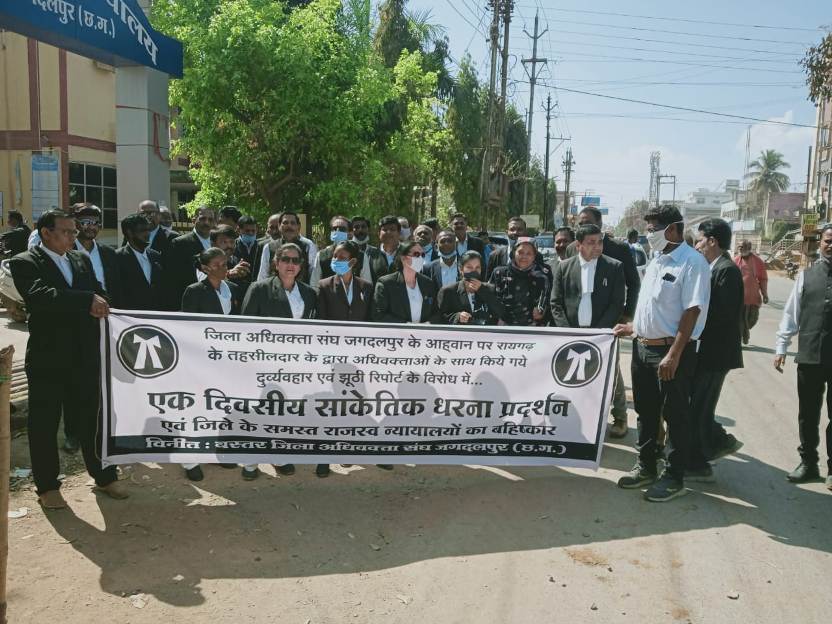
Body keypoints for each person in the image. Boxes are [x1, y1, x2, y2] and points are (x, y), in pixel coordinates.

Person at [9, 209, 128, 509]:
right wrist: (86, 300)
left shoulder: (80, 259)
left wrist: (101, 301)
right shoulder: (25, 262)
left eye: (74, 231)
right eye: (66, 231)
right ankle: (48, 486)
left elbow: (100, 292)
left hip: (85, 354)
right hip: (48, 357)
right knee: (45, 423)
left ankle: (104, 476)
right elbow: (41, 297)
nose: (73, 237)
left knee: (92, 419)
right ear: (46, 233)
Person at [613, 205, 710, 502]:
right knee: (646, 412)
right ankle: (646, 465)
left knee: (675, 415)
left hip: (671, 351)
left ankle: (674, 476)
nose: (649, 233)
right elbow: (654, 307)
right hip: (643, 348)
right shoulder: (656, 260)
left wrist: (674, 355)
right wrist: (633, 328)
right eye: (648, 228)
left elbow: (692, 311)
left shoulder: (692, 262)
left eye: (653, 228)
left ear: (673, 229)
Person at [180, 247, 258, 482]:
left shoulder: (232, 288)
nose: (224, 268)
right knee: (197, 408)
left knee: (222, 407)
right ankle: (190, 459)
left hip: (227, 360)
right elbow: (187, 327)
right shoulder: (194, 291)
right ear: (205, 268)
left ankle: (218, 450)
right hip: (201, 360)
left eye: (225, 263)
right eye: (218, 265)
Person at [242, 242, 317, 477]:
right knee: (258, 410)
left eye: (296, 260)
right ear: (276, 263)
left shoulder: (309, 293)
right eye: (286, 259)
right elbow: (244, 328)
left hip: (295, 365)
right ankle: (250, 461)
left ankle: (279, 455)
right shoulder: (259, 288)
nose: (290, 264)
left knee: (284, 411)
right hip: (263, 363)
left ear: (301, 265)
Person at [567, 208, 640, 438]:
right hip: (576, 326)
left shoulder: (618, 250)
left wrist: (627, 314)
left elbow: (634, 284)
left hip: (607, 324)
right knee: (576, 373)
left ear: (599, 223)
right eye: (580, 223)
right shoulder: (572, 247)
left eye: (587, 222)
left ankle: (619, 416)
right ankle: (581, 418)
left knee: (610, 371)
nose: (582, 226)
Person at [774, 224, 832, 489]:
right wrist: (781, 347)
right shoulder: (806, 277)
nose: (830, 245)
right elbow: (791, 313)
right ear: (820, 243)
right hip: (810, 356)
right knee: (807, 414)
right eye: (828, 241)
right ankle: (808, 463)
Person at [687, 218, 745, 482]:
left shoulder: (727, 271)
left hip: (716, 354)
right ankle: (713, 445)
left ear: (712, 241)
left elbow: (722, 315)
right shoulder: (712, 268)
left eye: (700, 240)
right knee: (699, 406)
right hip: (706, 351)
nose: (697, 246)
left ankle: (705, 458)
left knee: (700, 407)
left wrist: (690, 325)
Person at [315, 240, 375, 477]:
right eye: (334, 256)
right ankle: (324, 456)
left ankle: (347, 448)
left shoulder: (366, 286)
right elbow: (320, 322)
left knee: (354, 404)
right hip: (333, 358)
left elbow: (370, 322)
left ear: (353, 261)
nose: (336, 261)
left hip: (359, 358)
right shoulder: (324, 285)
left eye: (341, 257)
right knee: (330, 406)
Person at [551, 223, 625, 331]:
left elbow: (617, 304)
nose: (597, 247)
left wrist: (599, 332)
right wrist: (567, 331)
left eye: (600, 242)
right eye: (591, 242)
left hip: (601, 335)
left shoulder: (614, 267)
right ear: (578, 245)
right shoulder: (564, 268)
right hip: (569, 333)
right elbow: (556, 303)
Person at [373, 240, 440, 324]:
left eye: (422, 255)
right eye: (416, 254)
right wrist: (406, 325)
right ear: (403, 258)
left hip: (423, 331)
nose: (420, 258)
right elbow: (378, 314)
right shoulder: (386, 283)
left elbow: (437, 312)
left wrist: (427, 324)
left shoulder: (428, 283)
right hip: (398, 331)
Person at [163, 206, 216, 310]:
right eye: (202, 219)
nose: (206, 223)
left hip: (214, 301)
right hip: (190, 302)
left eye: (210, 219)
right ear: (193, 219)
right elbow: (173, 278)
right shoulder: (180, 243)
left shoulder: (217, 242)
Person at [489, 238, 549, 326]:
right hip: (502, 327)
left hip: (532, 328)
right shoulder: (499, 273)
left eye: (529, 253)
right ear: (514, 253)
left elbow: (547, 301)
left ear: (534, 256)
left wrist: (541, 311)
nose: (524, 256)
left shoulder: (542, 277)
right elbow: (489, 298)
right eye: (520, 252)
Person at [74, 204, 120, 311]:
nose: (91, 227)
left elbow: (116, 288)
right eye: (86, 222)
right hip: (79, 311)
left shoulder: (109, 253)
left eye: (95, 223)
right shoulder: (67, 251)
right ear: (76, 224)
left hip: (107, 312)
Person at [438, 251, 503, 325]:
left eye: (477, 267)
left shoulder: (490, 289)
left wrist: (482, 290)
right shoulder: (448, 291)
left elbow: (500, 312)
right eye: (469, 267)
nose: (474, 271)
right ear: (461, 269)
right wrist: (457, 317)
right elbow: (440, 317)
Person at [115, 213, 165, 310]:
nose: (147, 234)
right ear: (130, 233)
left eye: (148, 230)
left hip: (156, 315)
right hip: (130, 316)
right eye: (142, 230)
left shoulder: (155, 256)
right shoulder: (117, 257)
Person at [310, 216, 372, 289]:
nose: (337, 231)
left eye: (342, 229)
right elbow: (314, 284)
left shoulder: (361, 256)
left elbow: (366, 284)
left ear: (350, 233)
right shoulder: (321, 255)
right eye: (334, 229)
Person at [255, 211, 317, 283]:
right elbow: (263, 275)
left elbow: (314, 275)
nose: (289, 226)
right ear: (279, 226)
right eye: (285, 223)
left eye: (292, 223)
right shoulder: (269, 247)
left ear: (298, 226)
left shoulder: (307, 246)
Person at [734, 240, 768, 345]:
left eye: (742, 247)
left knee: (752, 320)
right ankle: (741, 336)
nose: (740, 248)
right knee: (739, 320)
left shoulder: (758, 262)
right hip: (739, 298)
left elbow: (763, 279)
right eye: (739, 247)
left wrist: (765, 294)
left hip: (753, 297)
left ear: (749, 248)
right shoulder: (735, 261)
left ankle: (745, 331)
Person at [365, 215, 403, 283]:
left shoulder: (407, 252)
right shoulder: (370, 255)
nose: (388, 232)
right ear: (379, 233)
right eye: (385, 230)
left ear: (399, 233)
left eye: (392, 229)